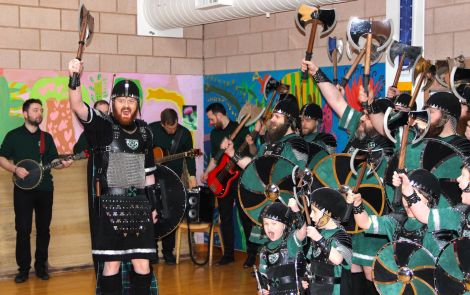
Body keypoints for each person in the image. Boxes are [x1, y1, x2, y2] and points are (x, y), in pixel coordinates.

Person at [68, 59, 158, 294]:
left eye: (131, 101)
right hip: (112, 205)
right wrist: (74, 77)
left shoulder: (146, 133)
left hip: (139, 205)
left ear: (138, 104)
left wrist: (154, 206)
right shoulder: (102, 127)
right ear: (113, 103)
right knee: (112, 263)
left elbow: (149, 175)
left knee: (142, 263)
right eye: (121, 101)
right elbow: (78, 106)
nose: (126, 105)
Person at [0, 98, 73, 283]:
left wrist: (63, 164)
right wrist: (15, 169)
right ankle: (23, 269)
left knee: (43, 229)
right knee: (23, 230)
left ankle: (41, 267)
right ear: (25, 114)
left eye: (41, 110)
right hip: (23, 190)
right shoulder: (13, 136)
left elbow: (53, 162)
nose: (39, 113)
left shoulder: (46, 138)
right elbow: (1, 157)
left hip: (45, 189)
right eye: (35, 110)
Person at [201, 102, 257, 267]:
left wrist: (251, 143)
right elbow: (215, 158)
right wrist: (207, 172)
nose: (210, 122)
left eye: (211, 119)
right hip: (224, 179)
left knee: (245, 218)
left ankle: (251, 255)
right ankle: (228, 255)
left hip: (241, 179)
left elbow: (253, 152)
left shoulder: (240, 127)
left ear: (219, 115)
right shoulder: (215, 134)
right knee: (225, 217)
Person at [149, 108, 197, 265]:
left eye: (174, 126)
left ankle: (168, 252)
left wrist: (192, 176)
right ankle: (153, 251)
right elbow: (143, 150)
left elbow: (190, 157)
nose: (172, 129)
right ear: (162, 124)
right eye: (169, 127)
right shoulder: (151, 129)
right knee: (153, 215)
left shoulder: (184, 133)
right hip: (152, 179)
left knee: (170, 216)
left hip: (173, 179)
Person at [305, 187, 352, 295]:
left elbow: (338, 259)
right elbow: (312, 262)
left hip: (333, 290)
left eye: (314, 211)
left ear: (328, 213)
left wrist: (319, 239)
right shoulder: (319, 233)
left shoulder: (342, 235)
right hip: (315, 289)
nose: (311, 215)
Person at [257, 200, 307, 295]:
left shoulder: (291, 241)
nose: (269, 228)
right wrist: (262, 288)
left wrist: (296, 210)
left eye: (274, 224)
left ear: (284, 225)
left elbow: (303, 231)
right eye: (266, 224)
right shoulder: (264, 251)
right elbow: (262, 274)